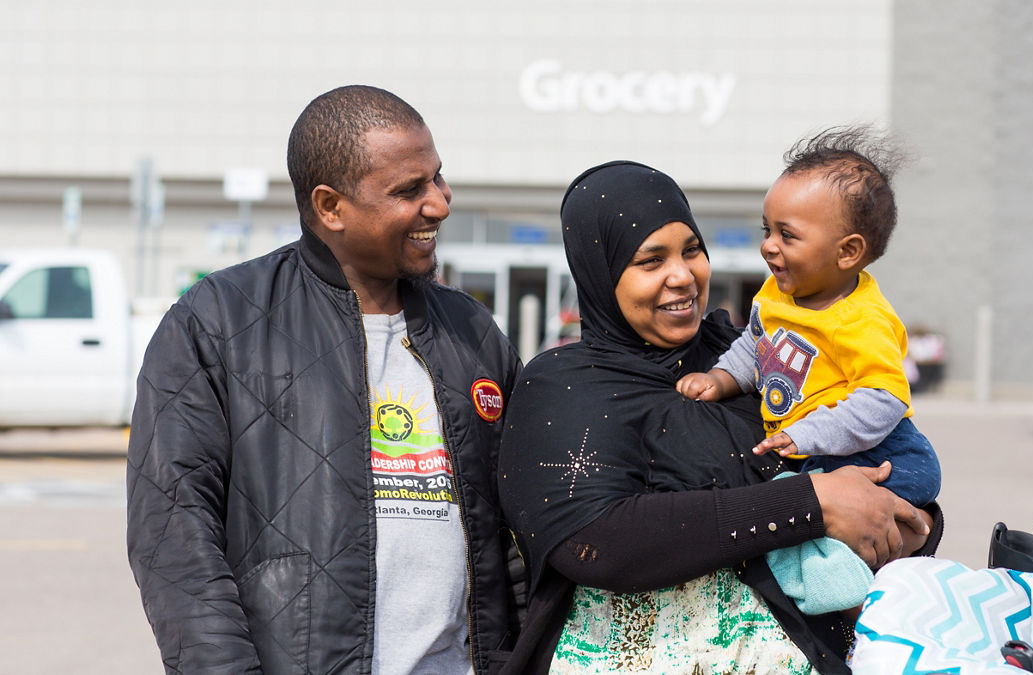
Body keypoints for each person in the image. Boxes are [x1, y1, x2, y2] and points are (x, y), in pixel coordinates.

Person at [126, 85, 523, 674]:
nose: (439, 204)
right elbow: (175, 542)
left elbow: (517, 540)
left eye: (438, 178)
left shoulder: (472, 330)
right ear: (330, 207)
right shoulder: (216, 323)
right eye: (409, 190)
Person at [497, 160, 942, 674]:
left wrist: (914, 522)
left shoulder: (751, 354)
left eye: (692, 250)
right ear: (600, 272)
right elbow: (596, 540)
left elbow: (879, 460)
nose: (682, 276)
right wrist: (809, 504)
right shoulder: (564, 386)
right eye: (650, 261)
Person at [676, 128, 941, 614]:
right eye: (766, 230)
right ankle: (828, 580)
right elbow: (756, 347)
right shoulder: (778, 296)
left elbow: (883, 401)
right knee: (791, 503)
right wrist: (719, 379)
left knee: (882, 505)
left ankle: (843, 585)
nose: (769, 247)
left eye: (787, 235)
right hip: (814, 449)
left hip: (879, 447)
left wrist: (810, 434)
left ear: (847, 252)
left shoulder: (863, 319)